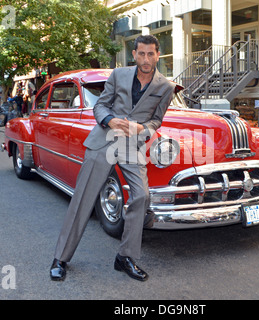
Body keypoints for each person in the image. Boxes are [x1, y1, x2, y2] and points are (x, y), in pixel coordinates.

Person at [50, 35, 175, 282]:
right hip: (104, 138)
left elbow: (156, 121)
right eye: (141, 53)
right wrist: (109, 120)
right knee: (84, 198)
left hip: (132, 145)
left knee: (142, 195)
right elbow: (101, 106)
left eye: (151, 54)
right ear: (135, 54)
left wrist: (143, 129)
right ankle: (60, 258)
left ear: (158, 55)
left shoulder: (166, 87)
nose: (146, 59)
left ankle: (125, 257)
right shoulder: (118, 75)